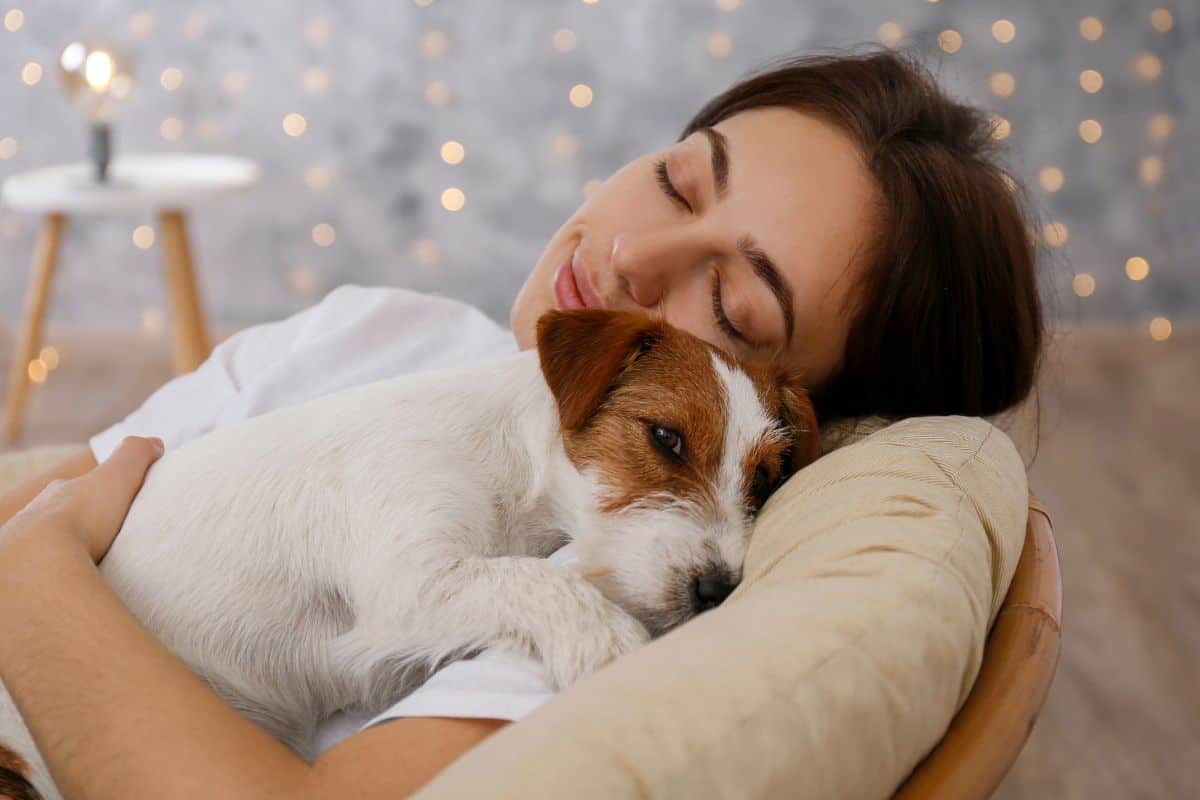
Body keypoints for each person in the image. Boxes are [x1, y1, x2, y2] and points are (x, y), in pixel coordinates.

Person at [0, 47, 1044, 798]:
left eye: (734, 311)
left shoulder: (607, 600)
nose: (635, 260)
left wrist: (34, 575)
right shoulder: (368, 329)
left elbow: (45, 532)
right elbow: (61, 489)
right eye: (680, 181)